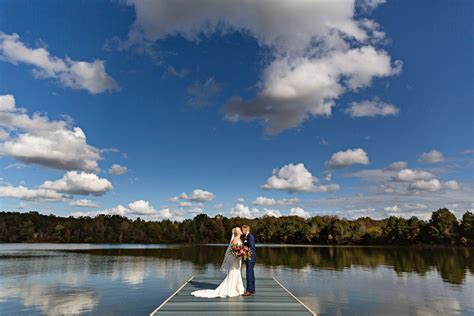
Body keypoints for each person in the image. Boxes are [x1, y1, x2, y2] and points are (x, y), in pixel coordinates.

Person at [190, 227, 245, 298]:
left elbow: (239, 248)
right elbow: (233, 249)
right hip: (235, 259)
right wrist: (239, 253)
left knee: (237, 271)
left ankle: (238, 288)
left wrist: (243, 252)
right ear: (237, 232)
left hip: (237, 259)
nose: (241, 230)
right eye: (239, 230)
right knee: (233, 271)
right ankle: (231, 288)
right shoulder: (235, 239)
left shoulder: (239, 239)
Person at [241, 224, 256, 296]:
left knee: (249, 274)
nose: (241, 231)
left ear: (245, 229)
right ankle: (252, 289)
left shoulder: (250, 236)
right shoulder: (247, 236)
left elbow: (252, 248)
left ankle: (249, 291)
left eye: (242, 229)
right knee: (251, 273)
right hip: (249, 257)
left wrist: (243, 250)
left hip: (250, 257)